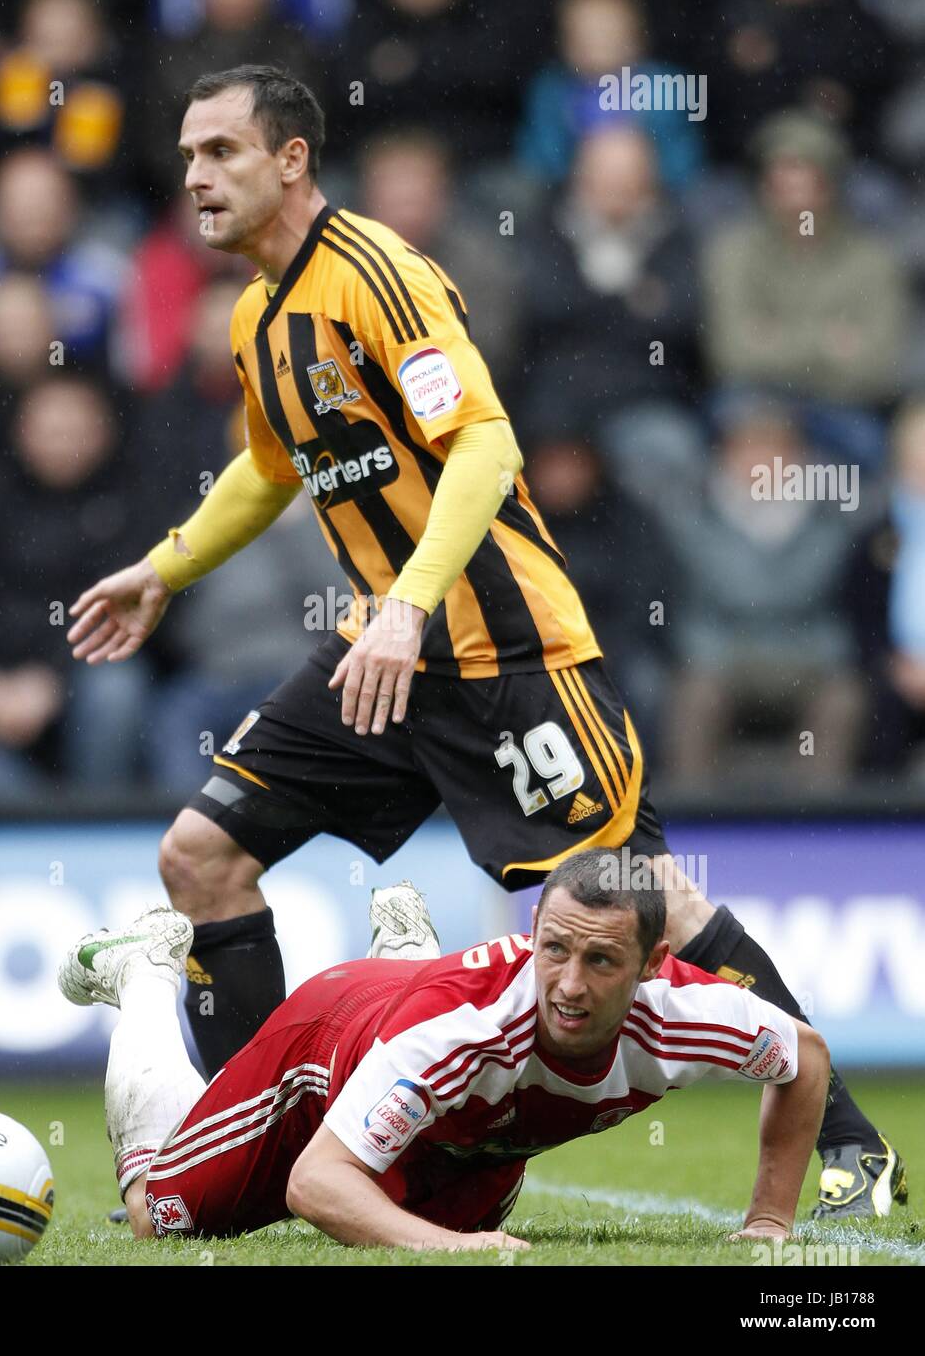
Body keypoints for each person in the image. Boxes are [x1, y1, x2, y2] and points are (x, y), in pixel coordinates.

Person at [65, 65, 904, 1217]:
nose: (195, 175)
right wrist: (163, 568)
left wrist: (411, 600)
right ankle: (255, 1150)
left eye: (221, 151)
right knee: (199, 858)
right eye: (190, 153)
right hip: (383, 657)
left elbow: (485, 448)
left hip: (506, 653)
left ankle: (853, 1146)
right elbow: (273, 466)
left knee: (641, 900)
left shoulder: (378, 276)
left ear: (291, 160)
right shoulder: (261, 315)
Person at [58, 850, 833, 1247]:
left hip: (462, 1126)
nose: (566, 984)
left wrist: (769, 1220)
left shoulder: (683, 1015)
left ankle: (409, 950)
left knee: (435, 1196)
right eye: (551, 949)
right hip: (331, 1043)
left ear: (652, 965)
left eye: (599, 962)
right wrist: (444, 1251)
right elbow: (317, 1185)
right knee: (161, 1219)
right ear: (530, 933)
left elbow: (804, 1057)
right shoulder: (462, 1030)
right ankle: (144, 973)